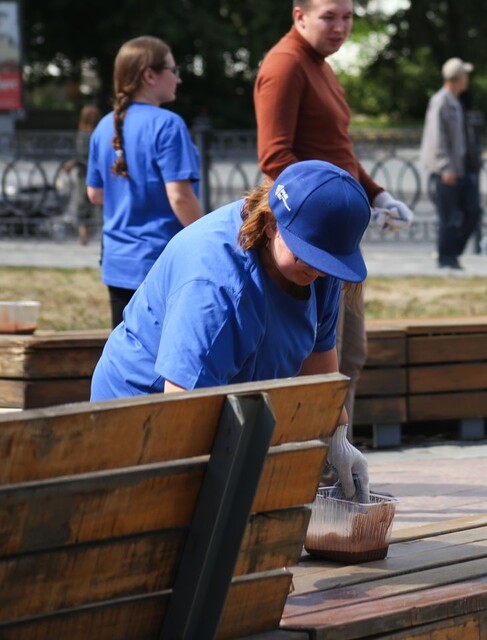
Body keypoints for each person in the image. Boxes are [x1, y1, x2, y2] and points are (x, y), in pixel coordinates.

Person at [90, 159, 372, 498]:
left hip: (226, 409)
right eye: (309, 256)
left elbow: (320, 366)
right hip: (144, 418)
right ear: (270, 225)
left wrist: (337, 437)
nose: (318, 271)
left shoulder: (315, 265)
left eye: (329, 262)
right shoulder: (215, 286)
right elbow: (183, 414)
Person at [254, 0, 413, 428]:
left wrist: (377, 194)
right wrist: (312, 222)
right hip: (313, 237)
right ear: (299, 16)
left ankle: (340, 464)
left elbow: (337, 150)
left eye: (347, 17)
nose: (340, 27)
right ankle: (319, 474)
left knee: (351, 354)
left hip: (338, 234)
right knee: (324, 359)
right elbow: (274, 158)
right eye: (329, 17)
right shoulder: (285, 64)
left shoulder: (321, 65)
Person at [87, 36, 203, 328]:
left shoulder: (104, 126)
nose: (177, 79)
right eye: (173, 71)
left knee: (126, 355)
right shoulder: (167, 124)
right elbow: (180, 197)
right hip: (160, 265)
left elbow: (95, 194)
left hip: (116, 263)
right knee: (162, 360)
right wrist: (209, 239)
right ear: (150, 75)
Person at [419, 57, 482, 270]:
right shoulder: (441, 101)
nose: (468, 79)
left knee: (472, 212)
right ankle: (446, 258)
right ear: (457, 78)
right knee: (449, 217)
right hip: (448, 171)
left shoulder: (455, 100)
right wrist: (446, 167)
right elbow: (437, 137)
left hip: (463, 169)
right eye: (465, 75)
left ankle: (451, 253)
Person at [67, 103, 101, 244]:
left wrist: (72, 163)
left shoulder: (83, 134)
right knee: (97, 203)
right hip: (96, 172)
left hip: (85, 173)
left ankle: (84, 235)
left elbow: (80, 154)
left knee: (82, 203)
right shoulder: (100, 133)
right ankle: (92, 233)